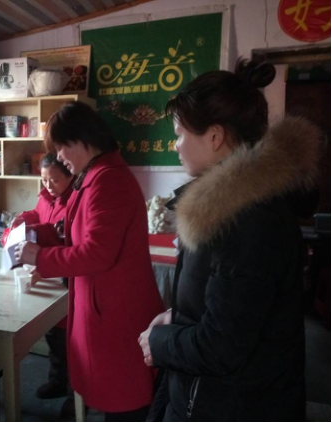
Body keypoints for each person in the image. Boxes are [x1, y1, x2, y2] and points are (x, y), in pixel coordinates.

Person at [138, 59, 321, 421]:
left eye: (180, 134)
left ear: (215, 136)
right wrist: (178, 316)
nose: (176, 145)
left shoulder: (247, 220)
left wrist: (159, 343)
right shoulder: (228, 208)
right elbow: (232, 308)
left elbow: (222, 346)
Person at [15, 102, 165, 421]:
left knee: (126, 404)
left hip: (117, 313)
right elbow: (68, 232)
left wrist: (39, 257)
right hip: (105, 309)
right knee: (116, 401)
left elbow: (96, 252)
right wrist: (30, 234)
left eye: (61, 147)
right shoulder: (93, 176)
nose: (60, 157)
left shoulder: (109, 181)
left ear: (82, 139)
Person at [10, 153, 75, 412]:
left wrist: (40, 234)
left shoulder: (75, 201)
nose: (48, 186)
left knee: (70, 338)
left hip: (67, 274)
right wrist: (24, 219)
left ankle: (75, 395)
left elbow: (67, 239)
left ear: (70, 176)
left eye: (55, 180)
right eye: (44, 180)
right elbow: (39, 214)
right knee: (53, 334)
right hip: (44, 271)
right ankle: (57, 381)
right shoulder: (46, 197)